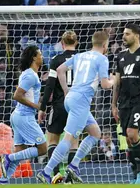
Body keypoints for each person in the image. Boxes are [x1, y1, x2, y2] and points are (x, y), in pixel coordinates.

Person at [37, 31, 114, 184]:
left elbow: (60, 70)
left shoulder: (80, 56)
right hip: (81, 101)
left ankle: (73, 166)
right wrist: (114, 80)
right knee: (68, 139)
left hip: (71, 98)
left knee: (95, 133)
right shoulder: (102, 59)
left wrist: (66, 90)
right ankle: (46, 172)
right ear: (105, 45)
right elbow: (105, 85)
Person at [112, 23, 140, 184]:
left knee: (133, 133)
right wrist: (113, 105)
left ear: (137, 35)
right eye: (123, 34)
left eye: (127, 34)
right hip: (124, 103)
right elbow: (117, 83)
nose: (124, 37)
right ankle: (135, 175)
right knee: (129, 138)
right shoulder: (120, 56)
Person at [0, 46, 47, 184]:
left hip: (19, 116)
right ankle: (7, 158)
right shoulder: (30, 75)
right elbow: (17, 96)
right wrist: (36, 107)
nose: (42, 56)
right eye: (40, 54)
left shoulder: (29, 73)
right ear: (33, 57)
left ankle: (3, 181)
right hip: (24, 116)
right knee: (43, 148)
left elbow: (27, 95)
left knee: (20, 153)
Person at [37, 31, 79, 182]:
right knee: (74, 141)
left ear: (62, 43)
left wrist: (42, 108)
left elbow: (49, 86)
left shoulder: (56, 59)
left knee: (52, 139)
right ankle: (71, 177)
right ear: (76, 42)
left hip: (60, 105)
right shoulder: (82, 59)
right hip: (76, 106)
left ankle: (55, 175)